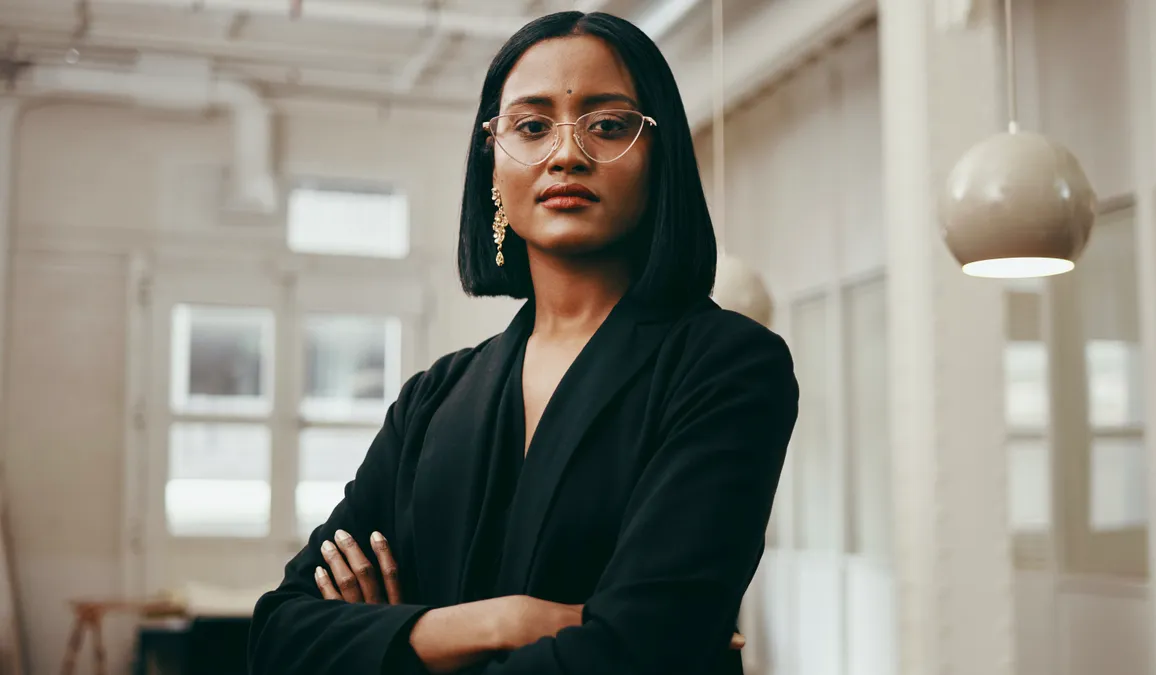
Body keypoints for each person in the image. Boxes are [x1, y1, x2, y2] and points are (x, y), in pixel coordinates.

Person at [247, 10, 798, 675]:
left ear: (661, 157)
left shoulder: (727, 366)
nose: (567, 153)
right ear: (493, 160)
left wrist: (396, 643)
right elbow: (281, 637)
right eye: (532, 126)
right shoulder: (433, 398)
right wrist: (504, 620)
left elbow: (639, 649)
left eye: (609, 125)